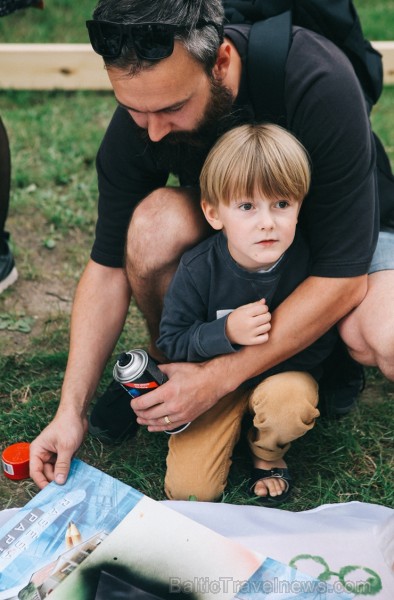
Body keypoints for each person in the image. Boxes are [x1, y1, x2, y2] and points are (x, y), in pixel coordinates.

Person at [29, 0, 394, 495]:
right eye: (134, 109)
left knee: (383, 336)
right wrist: (68, 412)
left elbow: (341, 274)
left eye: (172, 108)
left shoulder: (318, 79)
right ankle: (176, 372)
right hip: (237, 235)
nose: (153, 130)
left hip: (337, 233)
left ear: (220, 62)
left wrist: (221, 378)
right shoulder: (148, 113)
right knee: (155, 225)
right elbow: (107, 266)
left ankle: (313, 369)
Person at [157, 123, 337, 502]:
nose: (267, 221)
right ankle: (224, 434)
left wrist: (260, 361)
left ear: (299, 206)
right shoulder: (198, 268)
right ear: (213, 213)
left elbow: (321, 343)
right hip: (211, 388)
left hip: (280, 382)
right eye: (246, 206)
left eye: (282, 204)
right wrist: (224, 332)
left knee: (291, 401)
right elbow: (172, 342)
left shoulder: (307, 264)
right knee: (189, 493)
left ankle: (266, 453)